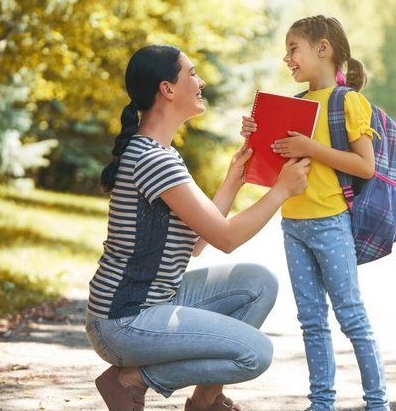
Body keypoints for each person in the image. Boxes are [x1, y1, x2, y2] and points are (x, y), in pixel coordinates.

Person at [86, 44, 310, 411]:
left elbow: (196, 244)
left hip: (151, 303)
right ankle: (128, 379)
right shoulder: (152, 159)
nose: (201, 80)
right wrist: (282, 190)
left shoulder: (161, 154)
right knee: (255, 353)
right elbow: (226, 238)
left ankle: (205, 402)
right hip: (123, 320)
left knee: (258, 284)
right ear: (167, 89)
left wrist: (233, 181)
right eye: (191, 73)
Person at [241, 15, 389, 411]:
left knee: (351, 316)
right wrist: (255, 136)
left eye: (293, 49)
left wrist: (311, 147)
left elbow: (365, 166)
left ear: (322, 48)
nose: (286, 58)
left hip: (330, 222)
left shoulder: (349, 101)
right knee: (311, 320)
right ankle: (322, 402)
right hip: (293, 225)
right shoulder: (296, 106)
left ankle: (377, 403)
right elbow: (271, 167)